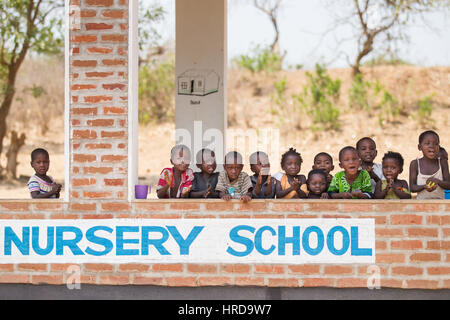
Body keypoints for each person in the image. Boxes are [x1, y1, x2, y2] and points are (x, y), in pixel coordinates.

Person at [409, 130, 450, 199]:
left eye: (435, 144)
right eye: (427, 143)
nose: (432, 146)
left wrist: (438, 181)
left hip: (440, 207)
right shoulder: (415, 164)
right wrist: (424, 187)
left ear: (439, 147)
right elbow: (412, 188)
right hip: (421, 206)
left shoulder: (443, 163)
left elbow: (449, 185)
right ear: (419, 147)